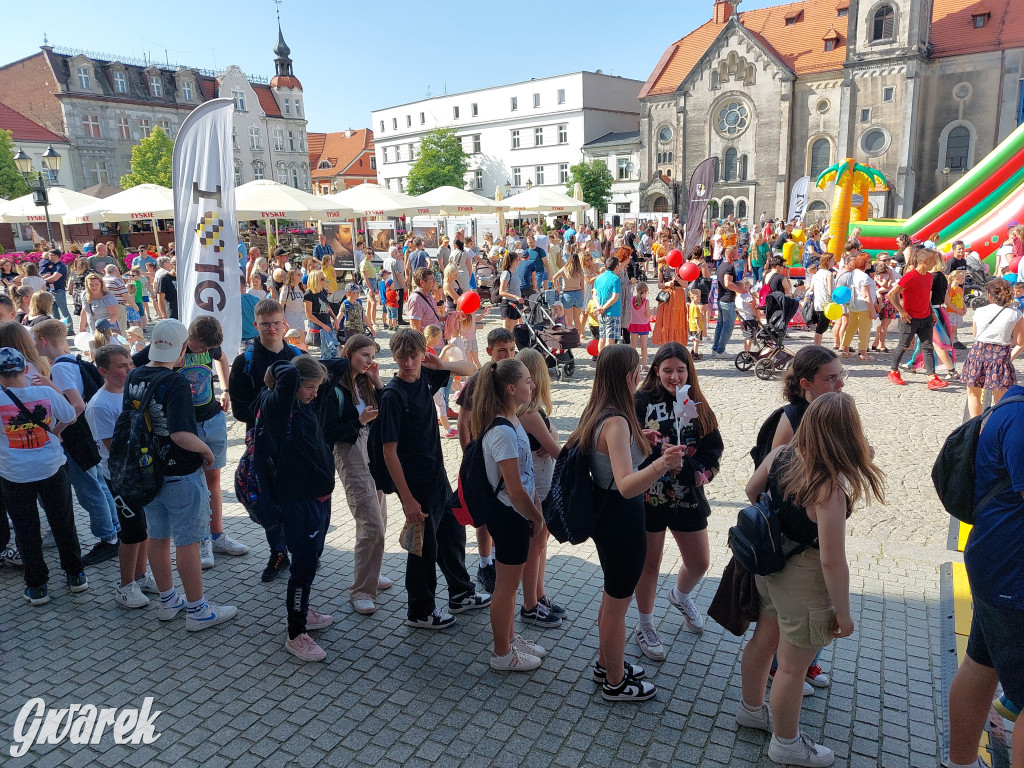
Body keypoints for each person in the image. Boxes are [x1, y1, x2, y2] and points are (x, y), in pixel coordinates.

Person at [738, 393, 885, 767]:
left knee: (763, 641)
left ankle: (751, 710)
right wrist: (845, 614)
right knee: (791, 667)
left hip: (770, 567)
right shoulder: (828, 488)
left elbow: (751, 490)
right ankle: (786, 744)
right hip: (804, 580)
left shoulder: (782, 455)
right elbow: (832, 561)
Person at [564, 345, 685, 701]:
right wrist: (661, 464)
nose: (642, 372)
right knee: (617, 604)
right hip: (621, 516)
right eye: (638, 368)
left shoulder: (604, 411)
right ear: (627, 375)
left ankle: (607, 663)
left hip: (610, 513)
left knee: (612, 598)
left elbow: (608, 456)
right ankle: (615, 682)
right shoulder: (617, 421)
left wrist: (638, 441)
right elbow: (627, 483)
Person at [127, 319, 238, 631]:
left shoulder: (136, 374)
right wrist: (205, 451)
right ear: (178, 346)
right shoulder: (173, 381)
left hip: (148, 470)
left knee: (158, 536)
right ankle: (198, 610)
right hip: (178, 468)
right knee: (187, 541)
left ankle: (167, 600)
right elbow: (179, 434)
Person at [379, 328, 487, 629]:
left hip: (437, 477)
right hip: (416, 485)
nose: (409, 363)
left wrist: (442, 365)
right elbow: (390, 453)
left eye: (414, 356)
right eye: (403, 358)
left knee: (452, 534)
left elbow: (471, 371)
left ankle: (461, 593)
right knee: (422, 550)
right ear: (395, 357)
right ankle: (420, 610)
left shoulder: (426, 375)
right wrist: (408, 499)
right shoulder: (392, 395)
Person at [946, 384, 1024, 768]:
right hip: (1013, 573)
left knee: (980, 664)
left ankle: (960, 763)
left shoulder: (1011, 402)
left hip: (997, 564)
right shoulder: (1022, 417)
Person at [133, 316, 248, 569]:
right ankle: (202, 539)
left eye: (208, 350)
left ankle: (217, 534)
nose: (204, 352)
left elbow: (221, 358)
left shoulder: (209, 345)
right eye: (200, 347)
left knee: (213, 480)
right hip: (185, 427)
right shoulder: (172, 348)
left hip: (211, 418)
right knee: (196, 486)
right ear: (188, 339)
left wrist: (225, 389)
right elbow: (136, 366)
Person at [633, 343, 722, 662]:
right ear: (656, 370)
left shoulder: (696, 404)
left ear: (689, 371)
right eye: (667, 370)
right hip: (649, 495)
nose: (674, 376)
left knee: (699, 562)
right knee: (649, 564)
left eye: (680, 370)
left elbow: (713, 453)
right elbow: (623, 446)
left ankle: (680, 596)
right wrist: (648, 447)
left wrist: (698, 472)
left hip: (687, 496)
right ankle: (645, 624)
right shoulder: (640, 402)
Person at [470, 358, 548, 670]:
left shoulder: (513, 420)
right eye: (528, 381)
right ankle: (502, 653)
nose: (533, 385)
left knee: (509, 585)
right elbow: (514, 489)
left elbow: (526, 480)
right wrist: (537, 518)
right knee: (506, 588)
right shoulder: (502, 431)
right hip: (508, 514)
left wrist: (536, 508)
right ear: (511, 388)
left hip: (516, 512)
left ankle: (510, 638)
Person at [257, 356, 335, 661]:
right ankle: (295, 632)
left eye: (317, 386)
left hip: (318, 499)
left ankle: (303, 610)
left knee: (312, 561)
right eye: (309, 386)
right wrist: (276, 369)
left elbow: (338, 365)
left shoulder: (305, 403)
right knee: (302, 568)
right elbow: (288, 373)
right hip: (297, 503)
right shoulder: (277, 406)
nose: (315, 392)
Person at [33, 319, 122, 565]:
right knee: (97, 484)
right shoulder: (71, 359)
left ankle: (108, 538)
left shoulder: (59, 368)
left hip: (75, 437)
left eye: (34, 340)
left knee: (87, 489)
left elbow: (77, 405)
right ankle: (114, 530)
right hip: (86, 435)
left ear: (43, 340)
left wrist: (57, 431)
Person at [0, 346, 83, 605]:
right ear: (25, 369)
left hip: (15, 475)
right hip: (52, 467)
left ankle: (37, 587)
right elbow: (71, 415)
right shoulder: (45, 392)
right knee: (64, 523)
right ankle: (76, 576)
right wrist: (55, 430)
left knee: (26, 530)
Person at [229, 299, 302, 582]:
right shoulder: (244, 361)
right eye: (265, 324)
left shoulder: (297, 355)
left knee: (296, 497)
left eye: (276, 323)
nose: (271, 329)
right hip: (260, 443)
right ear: (256, 325)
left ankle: (299, 550)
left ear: (284, 324)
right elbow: (239, 409)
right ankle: (278, 551)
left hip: (295, 441)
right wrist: (268, 410)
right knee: (268, 499)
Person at [320, 334, 389, 615]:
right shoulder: (333, 385)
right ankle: (360, 590)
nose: (368, 361)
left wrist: (377, 380)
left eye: (372, 356)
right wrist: (358, 421)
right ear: (348, 352)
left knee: (381, 516)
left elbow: (390, 408)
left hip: (372, 449)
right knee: (371, 522)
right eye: (363, 355)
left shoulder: (364, 382)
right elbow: (327, 431)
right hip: (349, 451)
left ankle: (370, 574)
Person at [85, 344, 158, 608]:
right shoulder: (99, 405)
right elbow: (113, 449)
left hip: (141, 471)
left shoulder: (132, 391)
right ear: (104, 371)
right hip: (120, 477)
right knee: (132, 532)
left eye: (130, 363)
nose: (130, 369)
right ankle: (125, 586)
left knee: (144, 527)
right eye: (121, 366)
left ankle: (141, 576)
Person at [457, 328, 518, 593]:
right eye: (502, 350)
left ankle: (497, 558)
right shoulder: (479, 379)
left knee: (501, 507)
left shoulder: (514, 374)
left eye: (511, 349)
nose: (507, 355)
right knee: (482, 512)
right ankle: (484, 563)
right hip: (481, 455)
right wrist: (468, 454)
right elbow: (463, 420)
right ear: (489, 351)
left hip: (504, 454)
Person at [515, 348, 566, 628]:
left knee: (541, 544)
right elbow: (556, 450)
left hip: (541, 485)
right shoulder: (530, 413)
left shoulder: (531, 410)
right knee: (535, 546)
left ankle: (539, 594)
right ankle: (529, 605)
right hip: (537, 487)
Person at [960, 279, 1024, 417]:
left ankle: (975, 429)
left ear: (989, 295)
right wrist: (1009, 350)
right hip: (1000, 354)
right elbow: (1020, 341)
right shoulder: (1016, 314)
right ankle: (995, 429)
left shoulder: (980, 311)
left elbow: (975, 333)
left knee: (973, 394)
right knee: (1000, 399)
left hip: (978, 352)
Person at [887, 249, 948, 390]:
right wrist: (901, 311)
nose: (935, 263)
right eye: (933, 260)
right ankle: (893, 371)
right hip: (910, 318)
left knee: (928, 347)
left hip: (925, 317)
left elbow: (925, 297)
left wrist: (932, 311)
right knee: (903, 346)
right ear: (924, 261)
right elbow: (892, 294)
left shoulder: (929, 277)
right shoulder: (910, 276)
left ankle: (932, 377)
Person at [840, 253, 877, 361]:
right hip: (864, 306)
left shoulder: (853, 273)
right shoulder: (864, 276)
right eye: (869, 262)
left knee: (851, 328)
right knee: (864, 330)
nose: (871, 263)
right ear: (864, 263)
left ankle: (845, 348)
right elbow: (866, 295)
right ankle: (863, 352)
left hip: (854, 305)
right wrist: (873, 310)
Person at [651, 249, 689, 350]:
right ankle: (666, 343)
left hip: (678, 296)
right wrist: (667, 284)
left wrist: (678, 279)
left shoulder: (682, 268)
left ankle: (677, 342)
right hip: (667, 296)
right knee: (666, 319)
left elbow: (686, 284)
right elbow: (659, 285)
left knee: (677, 319)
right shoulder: (663, 268)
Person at [304, 270, 339, 360]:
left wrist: (335, 318)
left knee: (335, 350)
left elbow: (327, 306)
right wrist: (323, 326)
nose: (325, 280)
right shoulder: (309, 294)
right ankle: (326, 370)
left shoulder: (323, 291)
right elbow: (308, 314)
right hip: (318, 325)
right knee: (326, 351)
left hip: (327, 322)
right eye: (322, 279)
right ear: (316, 280)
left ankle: (328, 368)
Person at [712, 246, 740, 357]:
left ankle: (715, 348)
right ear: (731, 255)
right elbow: (728, 283)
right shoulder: (728, 267)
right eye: (736, 254)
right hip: (727, 300)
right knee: (727, 326)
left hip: (721, 299)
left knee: (720, 325)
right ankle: (720, 350)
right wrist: (740, 290)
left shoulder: (721, 266)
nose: (738, 255)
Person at [551, 249, 586, 337]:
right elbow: (582, 287)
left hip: (567, 294)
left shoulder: (565, 269)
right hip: (578, 294)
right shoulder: (580, 271)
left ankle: (571, 338)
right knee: (577, 319)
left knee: (568, 320)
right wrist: (582, 297)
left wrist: (557, 287)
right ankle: (577, 338)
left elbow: (554, 277)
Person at [594, 256, 622, 353]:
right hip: (612, 313)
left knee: (602, 338)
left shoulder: (598, 278)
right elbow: (615, 297)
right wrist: (604, 308)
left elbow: (595, 295)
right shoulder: (615, 279)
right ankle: (606, 363)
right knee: (610, 340)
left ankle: (600, 361)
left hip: (601, 313)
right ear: (617, 266)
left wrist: (599, 308)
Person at [40, 250, 72, 330]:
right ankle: (57, 329)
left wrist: (42, 280)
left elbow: (55, 277)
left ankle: (70, 329)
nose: (49, 257)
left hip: (58, 291)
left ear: (56, 256)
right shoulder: (50, 265)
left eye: (50, 255)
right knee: (54, 312)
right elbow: (44, 274)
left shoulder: (60, 266)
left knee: (64, 311)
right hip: (49, 291)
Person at [497, 250, 526, 332]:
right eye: (518, 259)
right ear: (514, 261)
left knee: (514, 329)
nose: (519, 261)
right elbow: (501, 291)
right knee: (507, 331)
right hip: (508, 303)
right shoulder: (506, 273)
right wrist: (515, 296)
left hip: (515, 303)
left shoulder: (514, 272)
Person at [735, 280, 763, 354]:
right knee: (749, 337)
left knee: (748, 336)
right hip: (751, 318)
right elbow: (753, 307)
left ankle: (746, 352)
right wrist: (758, 317)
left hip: (744, 318)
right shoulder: (746, 296)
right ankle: (747, 353)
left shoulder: (737, 297)